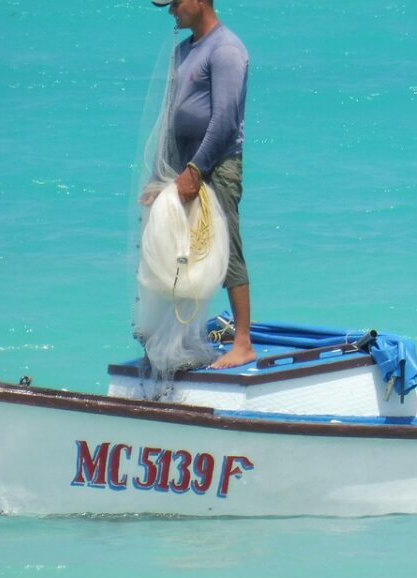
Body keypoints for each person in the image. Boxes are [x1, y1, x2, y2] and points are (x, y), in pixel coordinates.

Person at [144, 0, 256, 368]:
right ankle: (181, 338)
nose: (171, 10)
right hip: (185, 168)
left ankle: (242, 342)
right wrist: (160, 177)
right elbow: (171, 118)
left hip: (217, 165)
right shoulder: (184, 51)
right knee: (179, 250)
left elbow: (224, 120)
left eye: (175, 2)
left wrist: (196, 169)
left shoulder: (225, 49)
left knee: (227, 250)